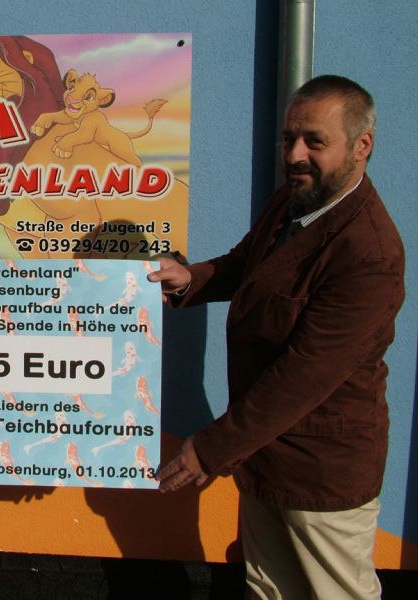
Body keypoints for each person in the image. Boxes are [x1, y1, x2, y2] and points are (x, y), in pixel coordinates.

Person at [150, 75, 404, 599]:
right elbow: (247, 263)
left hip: (321, 476)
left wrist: (210, 450)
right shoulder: (295, 200)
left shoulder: (368, 254)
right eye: (289, 138)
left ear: (362, 145)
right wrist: (191, 279)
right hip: (265, 457)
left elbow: (304, 376)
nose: (294, 155)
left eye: (315, 141)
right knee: (267, 588)